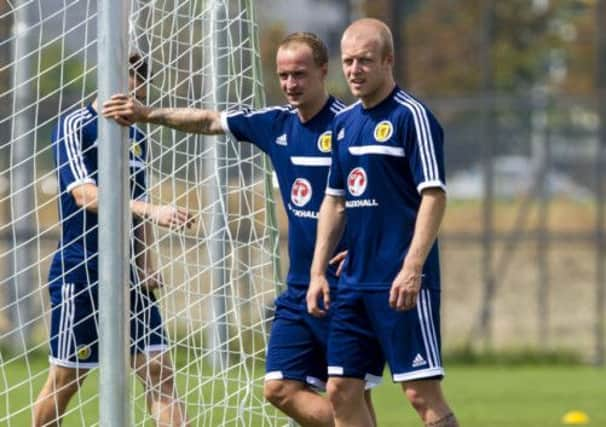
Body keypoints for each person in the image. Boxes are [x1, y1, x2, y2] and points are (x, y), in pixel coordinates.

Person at [102, 33, 382, 427]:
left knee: (349, 392)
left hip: (349, 286)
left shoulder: (351, 126)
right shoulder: (275, 124)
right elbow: (210, 119)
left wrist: (370, 247)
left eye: (300, 74)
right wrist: (147, 114)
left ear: (323, 71)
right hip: (300, 287)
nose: (290, 84)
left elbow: (384, 197)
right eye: (283, 75)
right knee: (280, 388)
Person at [306, 18, 459, 427]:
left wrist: (412, 268)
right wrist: (318, 271)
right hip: (354, 282)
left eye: (365, 61)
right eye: (348, 61)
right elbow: (335, 202)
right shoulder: (343, 124)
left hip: (401, 282)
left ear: (388, 61)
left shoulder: (413, 117)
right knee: (340, 389)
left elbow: (434, 195)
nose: (354, 71)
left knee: (419, 394)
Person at [33, 54, 192, 427]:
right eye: (127, 85)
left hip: (130, 276)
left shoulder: (136, 136)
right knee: (67, 379)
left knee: (158, 371)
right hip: (82, 269)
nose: (134, 95)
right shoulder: (75, 125)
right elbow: (85, 196)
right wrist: (152, 210)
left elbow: (136, 206)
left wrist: (146, 264)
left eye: (139, 86)